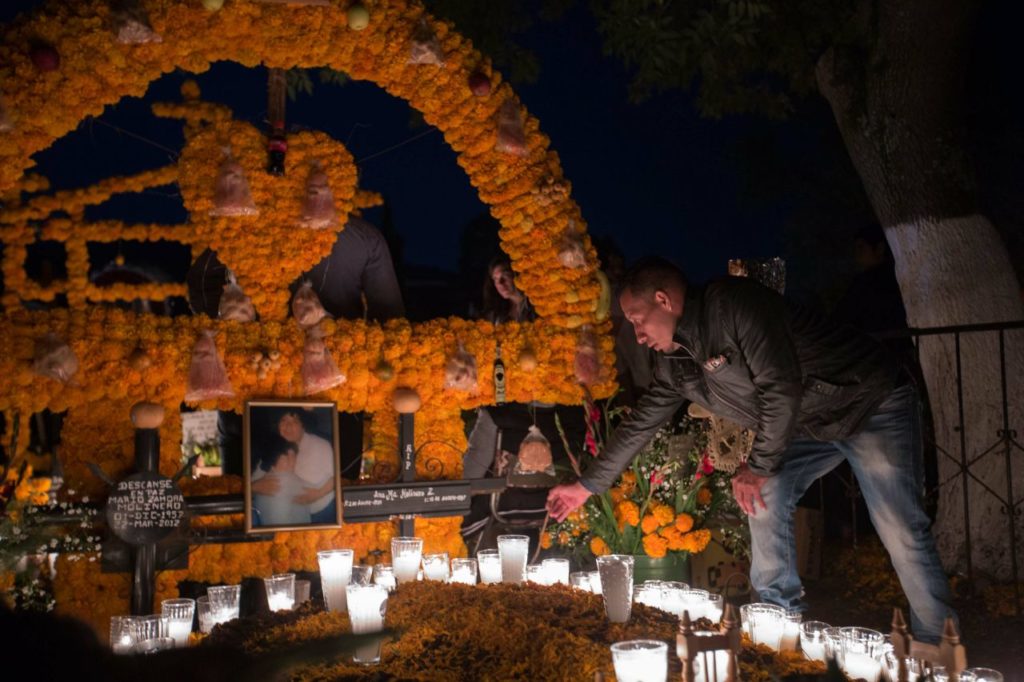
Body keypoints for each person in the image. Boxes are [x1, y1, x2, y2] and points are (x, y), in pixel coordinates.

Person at [545, 257, 956, 641]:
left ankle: (939, 640)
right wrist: (586, 486)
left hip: (868, 401)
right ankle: (777, 618)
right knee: (766, 494)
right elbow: (641, 423)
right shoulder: (674, 362)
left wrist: (758, 464)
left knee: (898, 525)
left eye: (637, 321)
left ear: (663, 300)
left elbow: (781, 386)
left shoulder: (733, 305)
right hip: (810, 423)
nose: (636, 335)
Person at [188, 214, 405, 480]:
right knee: (331, 505)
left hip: (261, 391)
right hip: (326, 400)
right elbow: (391, 325)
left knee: (245, 505)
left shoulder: (242, 223)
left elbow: (199, 284)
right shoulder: (362, 238)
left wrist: (225, 315)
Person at [252, 409, 337, 524]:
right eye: (283, 420)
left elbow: (338, 477)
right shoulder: (273, 446)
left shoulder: (321, 445)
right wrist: (255, 486)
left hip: (322, 510)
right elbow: (254, 481)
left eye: (295, 421)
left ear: (303, 426)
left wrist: (318, 494)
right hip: (291, 514)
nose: (288, 426)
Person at [251, 435, 311, 527]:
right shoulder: (286, 480)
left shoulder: (263, 476)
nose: (292, 463)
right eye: (287, 458)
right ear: (274, 458)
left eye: (294, 458)